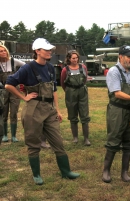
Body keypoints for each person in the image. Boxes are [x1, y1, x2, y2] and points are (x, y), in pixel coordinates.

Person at [5, 38, 80, 185]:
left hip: (49, 109)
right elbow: (9, 84)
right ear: (37, 51)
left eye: (50, 49)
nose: (50, 52)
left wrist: (57, 110)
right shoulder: (27, 68)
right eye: (46, 49)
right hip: (33, 110)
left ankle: (66, 171)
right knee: (33, 143)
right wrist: (23, 97)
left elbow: (54, 90)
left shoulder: (51, 68)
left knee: (58, 141)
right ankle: (37, 175)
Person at [102, 45, 130, 183]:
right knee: (113, 140)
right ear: (120, 56)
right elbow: (118, 93)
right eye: (129, 56)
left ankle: (124, 172)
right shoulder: (113, 72)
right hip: (117, 111)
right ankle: (106, 171)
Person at [60, 50, 91, 146]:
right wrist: (70, 91)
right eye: (73, 58)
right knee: (72, 115)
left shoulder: (83, 67)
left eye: (76, 57)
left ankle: (86, 138)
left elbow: (85, 80)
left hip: (82, 92)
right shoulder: (65, 70)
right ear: (69, 59)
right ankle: (75, 137)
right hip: (71, 92)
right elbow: (62, 83)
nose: (75, 60)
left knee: (84, 115)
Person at [0, 44, 25, 143]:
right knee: (4, 113)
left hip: (15, 89)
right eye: (1, 51)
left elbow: (26, 67)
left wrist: (20, 77)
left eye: (4, 50)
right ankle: (5, 135)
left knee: (14, 113)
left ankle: (14, 136)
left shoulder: (13, 61)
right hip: (2, 91)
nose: (3, 52)